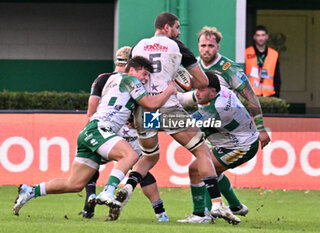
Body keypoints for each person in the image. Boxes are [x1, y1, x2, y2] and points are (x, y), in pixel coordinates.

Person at [99, 12, 240, 224]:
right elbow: (201, 82)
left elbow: (129, 80)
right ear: (167, 28)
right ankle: (218, 204)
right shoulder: (178, 46)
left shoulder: (138, 46)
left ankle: (127, 187)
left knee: (149, 156)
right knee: (201, 150)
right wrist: (182, 78)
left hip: (143, 111)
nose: (178, 32)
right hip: (168, 110)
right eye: (176, 28)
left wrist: (131, 112)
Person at [12, 56, 177, 217]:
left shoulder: (113, 80)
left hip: (89, 131)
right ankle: (108, 191)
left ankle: (31, 191)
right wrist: (170, 90)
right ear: (132, 69)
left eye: (148, 75)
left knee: (74, 184)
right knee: (131, 155)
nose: (146, 78)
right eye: (144, 73)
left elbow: (124, 108)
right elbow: (151, 103)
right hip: (100, 128)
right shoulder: (130, 80)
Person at [80, 46, 169, 222]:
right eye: (121, 63)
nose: (121, 67)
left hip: (113, 129)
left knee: (95, 164)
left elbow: (91, 110)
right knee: (138, 167)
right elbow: (149, 108)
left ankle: (91, 198)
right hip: (115, 130)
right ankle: (159, 212)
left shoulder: (105, 78)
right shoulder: (133, 81)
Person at [177, 71, 263, 223]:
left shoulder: (216, 109)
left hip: (241, 147)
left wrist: (147, 119)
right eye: (196, 88)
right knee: (211, 171)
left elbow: (180, 125)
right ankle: (235, 206)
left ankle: (201, 215)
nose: (197, 93)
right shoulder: (220, 90)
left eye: (201, 89)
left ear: (213, 91)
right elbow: (184, 99)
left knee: (197, 169)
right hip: (235, 139)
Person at [245, 25, 281, 97]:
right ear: (254, 37)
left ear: (267, 36)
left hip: (269, 94)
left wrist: (277, 95)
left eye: (263, 35)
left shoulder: (274, 54)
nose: (260, 38)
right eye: (258, 35)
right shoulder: (246, 53)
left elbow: (277, 78)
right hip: (252, 94)